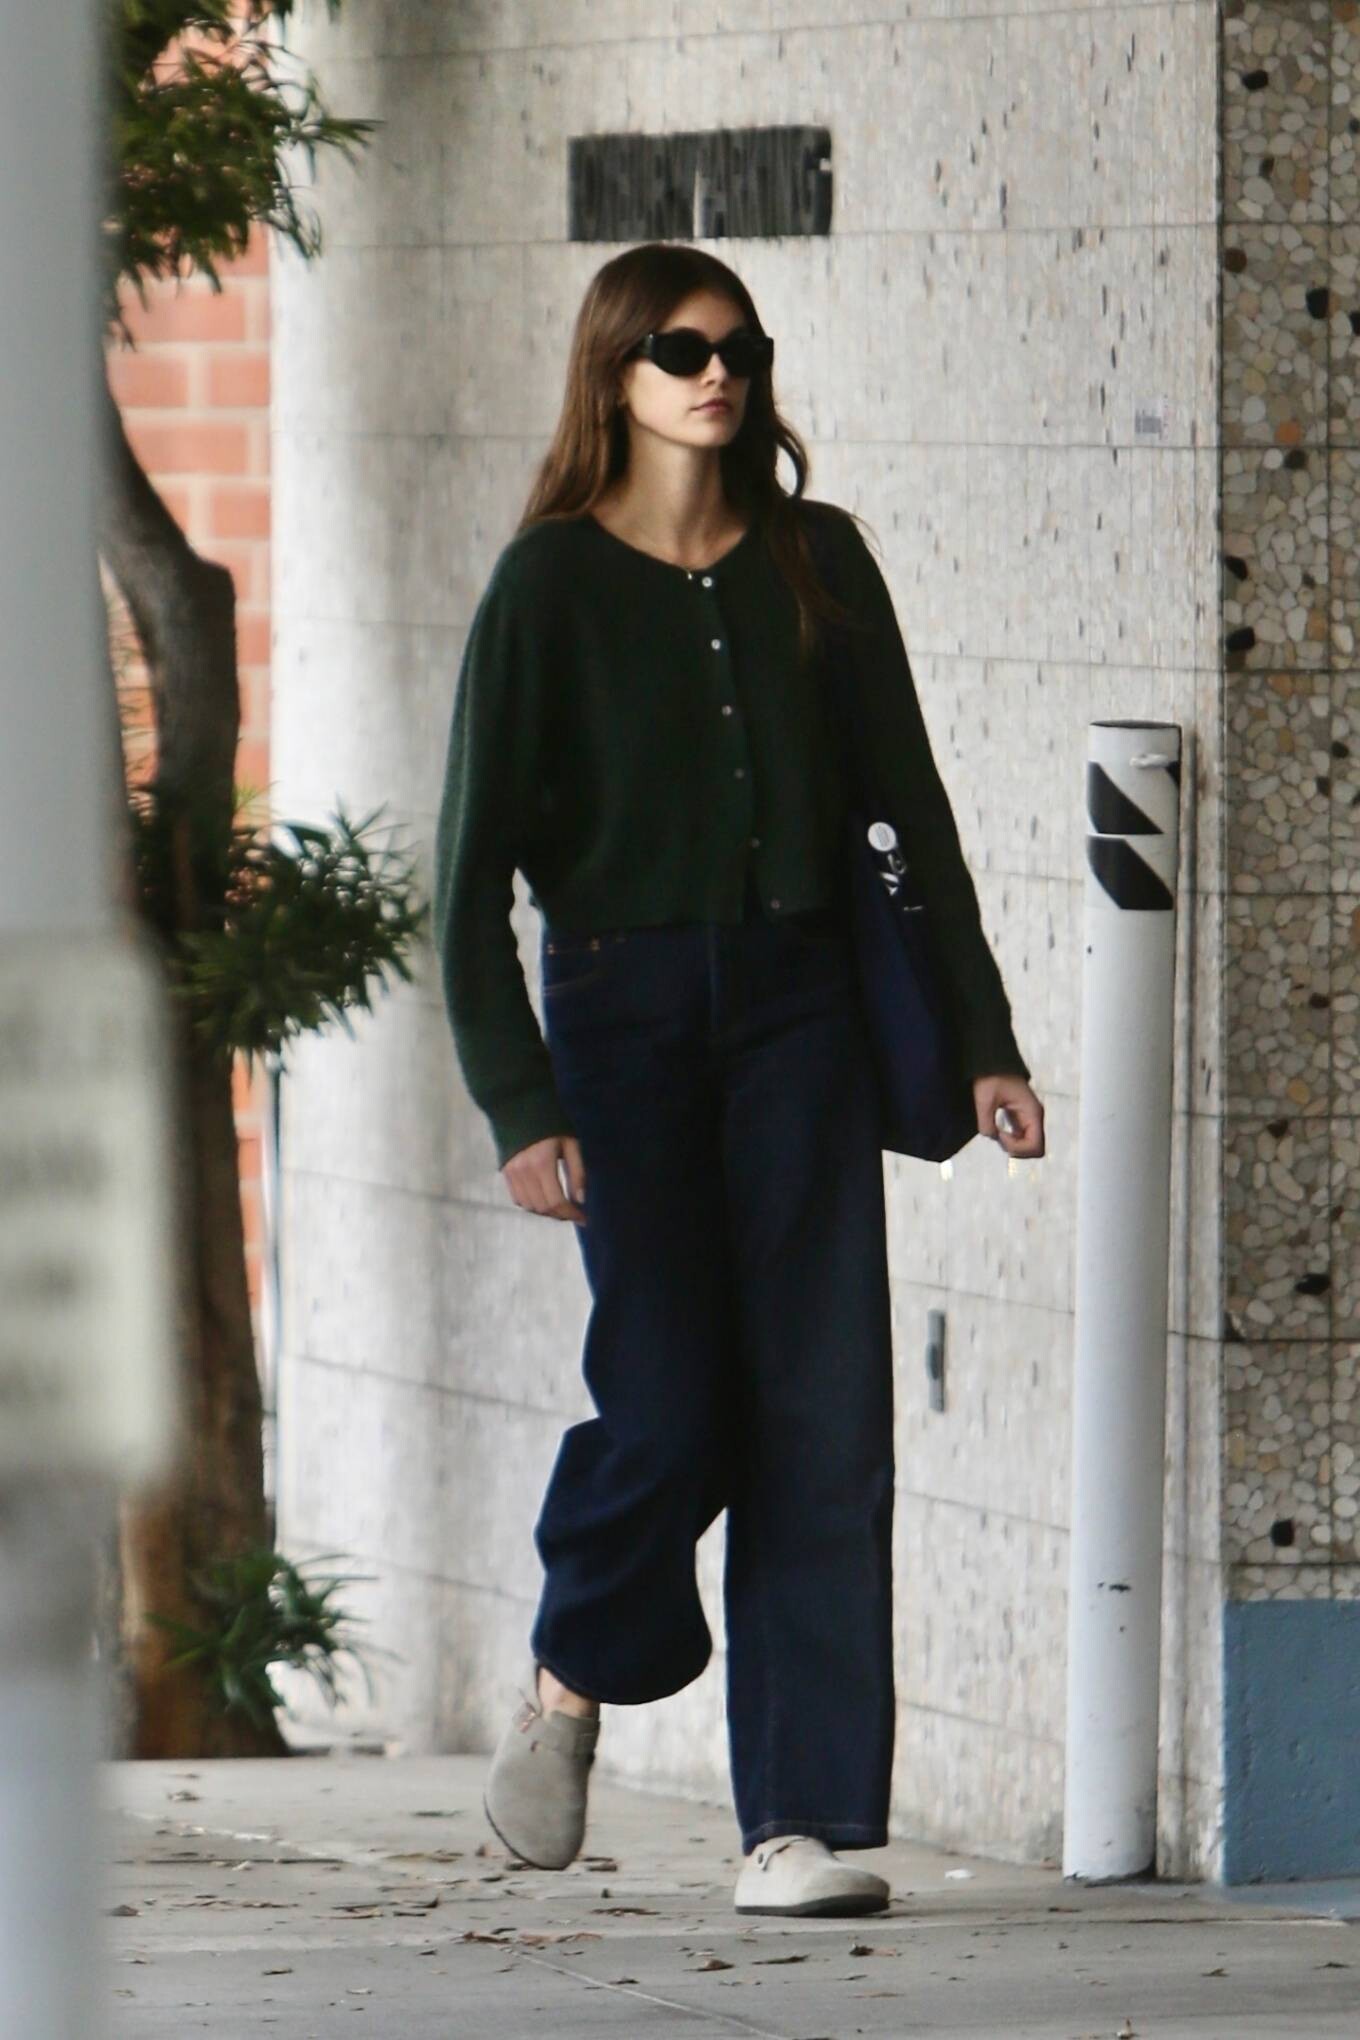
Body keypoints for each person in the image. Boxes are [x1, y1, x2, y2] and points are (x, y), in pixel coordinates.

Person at [432, 240, 1045, 1919]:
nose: (718, 374)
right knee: (670, 1397)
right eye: (680, 349)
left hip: (801, 1014)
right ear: (614, 375)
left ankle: (801, 1826)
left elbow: (908, 817)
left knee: (822, 1414)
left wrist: (982, 1037)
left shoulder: (815, 560)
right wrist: (520, 1103)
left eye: (739, 348)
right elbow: (466, 880)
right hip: (617, 1017)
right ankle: (575, 1668)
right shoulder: (548, 587)